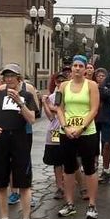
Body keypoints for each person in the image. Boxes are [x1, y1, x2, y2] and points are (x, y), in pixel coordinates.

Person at [0, 64, 38, 219]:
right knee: (0, 182)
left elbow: (32, 119)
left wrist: (20, 102)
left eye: (12, 76)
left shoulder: (27, 96)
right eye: (6, 76)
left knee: (24, 182)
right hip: (1, 139)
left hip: (20, 139)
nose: (8, 79)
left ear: (19, 78)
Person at [57, 55, 101, 219]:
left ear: (85, 69)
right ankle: (69, 203)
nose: (77, 68)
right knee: (68, 169)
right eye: (74, 65)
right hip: (67, 132)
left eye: (80, 66)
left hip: (86, 132)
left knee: (89, 168)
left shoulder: (92, 85)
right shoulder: (63, 86)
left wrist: (82, 127)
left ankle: (92, 205)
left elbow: (94, 109)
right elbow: (59, 108)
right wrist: (65, 127)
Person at [42, 72, 68, 201]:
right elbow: (50, 117)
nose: (60, 83)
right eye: (58, 81)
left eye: (63, 81)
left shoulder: (69, 96)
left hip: (68, 130)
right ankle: (59, 187)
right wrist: (45, 104)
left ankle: (71, 184)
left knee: (70, 159)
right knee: (57, 162)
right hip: (54, 130)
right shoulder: (51, 97)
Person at [94, 68, 110, 185]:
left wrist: (105, 91)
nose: (101, 77)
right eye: (98, 76)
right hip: (94, 119)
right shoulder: (93, 87)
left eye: (103, 75)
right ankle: (94, 166)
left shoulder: (108, 86)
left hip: (107, 119)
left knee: (107, 144)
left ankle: (106, 170)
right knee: (93, 145)